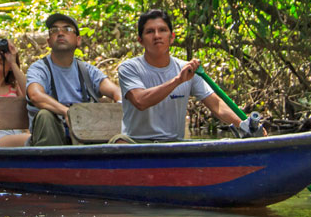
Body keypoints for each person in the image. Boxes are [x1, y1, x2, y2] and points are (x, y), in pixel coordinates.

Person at [118, 8, 249, 142]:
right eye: (150, 32)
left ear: (172, 37)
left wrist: (244, 125)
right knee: (120, 142)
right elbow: (140, 101)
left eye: (162, 30)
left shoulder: (187, 69)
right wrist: (177, 80)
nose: (157, 36)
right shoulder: (129, 68)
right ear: (141, 40)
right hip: (135, 143)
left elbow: (216, 104)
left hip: (174, 145)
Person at [25, 13, 121, 146]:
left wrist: (120, 104)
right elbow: (35, 95)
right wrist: (68, 113)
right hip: (53, 139)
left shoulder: (87, 70)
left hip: (86, 137)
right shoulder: (40, 68)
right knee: (45, 116)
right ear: (48, 41)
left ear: (78, 40)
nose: (60, 33)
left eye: (67, 29)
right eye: (54, 30)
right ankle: (49, 165)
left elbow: (115, 91)